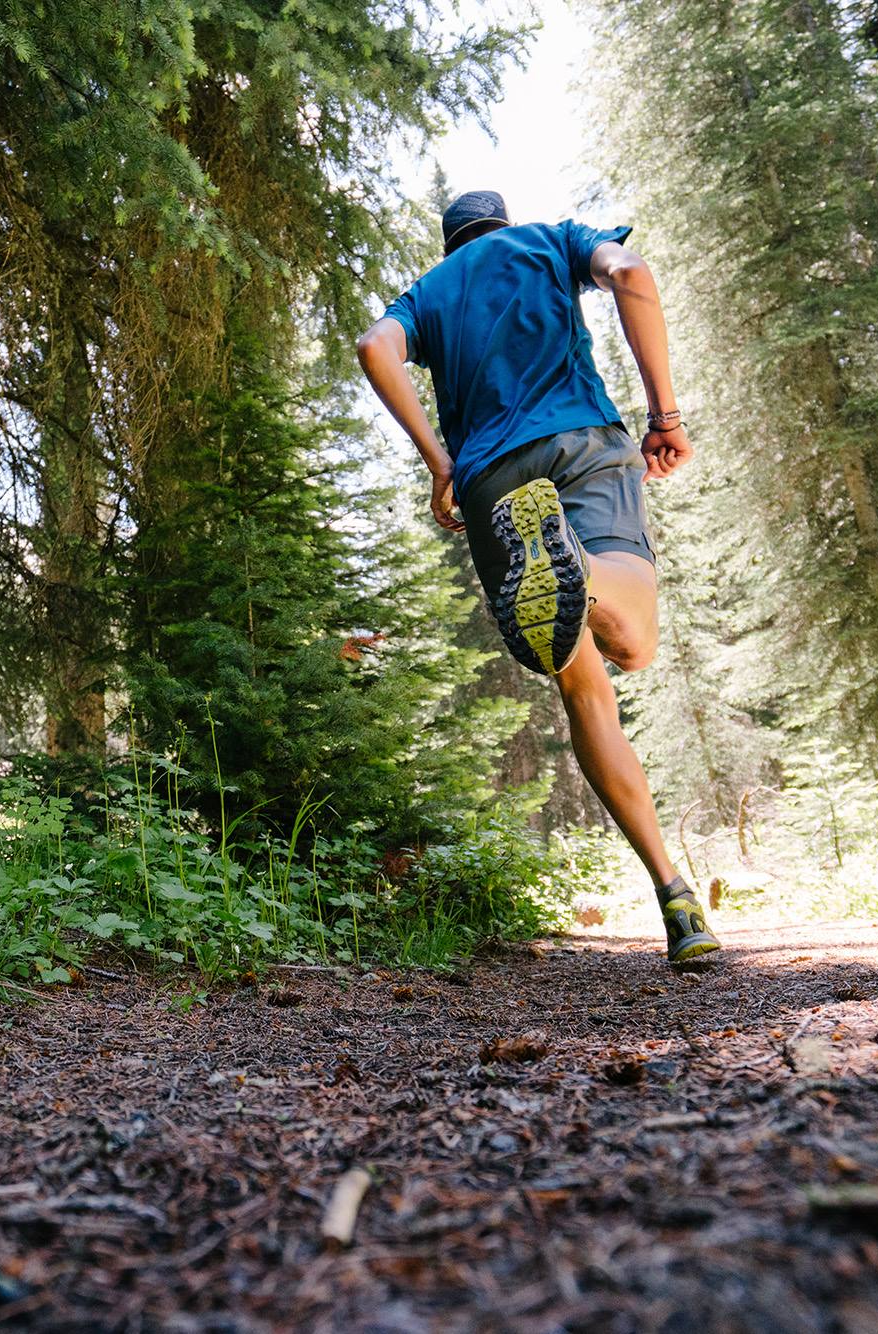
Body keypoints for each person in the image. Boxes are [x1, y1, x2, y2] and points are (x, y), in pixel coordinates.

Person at [355, 189, 719, 968]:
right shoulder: (552, 242)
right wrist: (665, 416)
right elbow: (629, 272)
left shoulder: (431, 293)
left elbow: (374, 348)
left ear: (452, 242)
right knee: (638, 645)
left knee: (585, 689)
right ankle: (580, 569)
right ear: (502, 226)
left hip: (489, 482)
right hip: (580, 445)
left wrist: (438, 462)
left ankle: (673, 894)